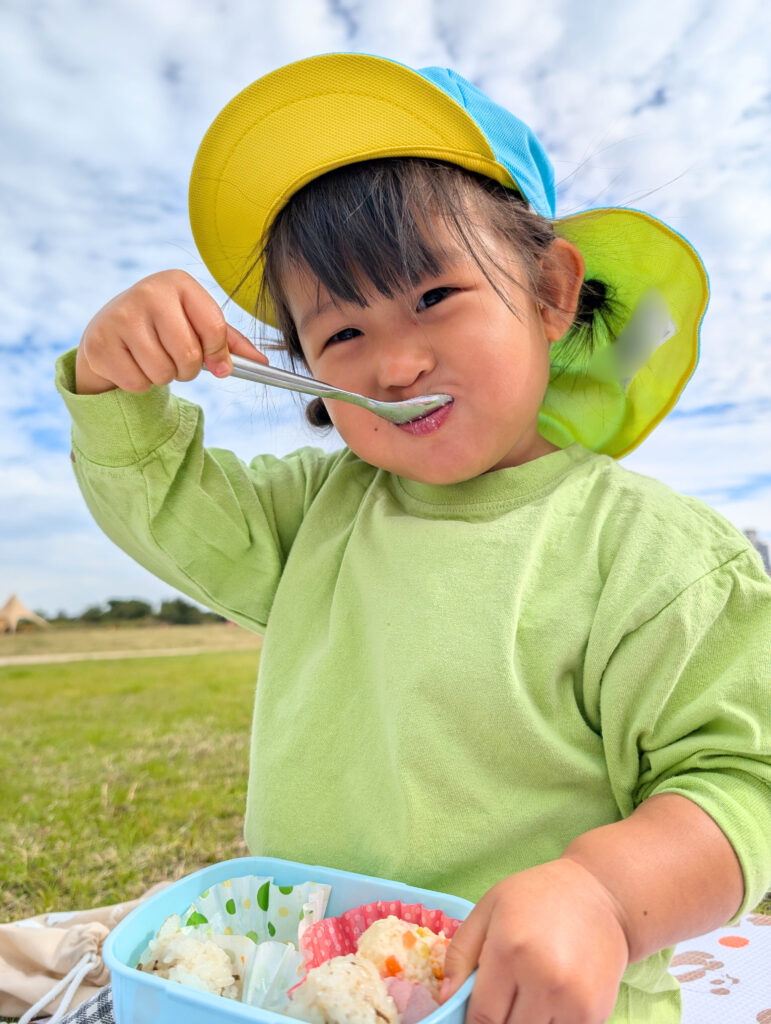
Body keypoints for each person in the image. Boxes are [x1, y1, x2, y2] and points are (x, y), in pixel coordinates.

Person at [56, 53, 771, 1024]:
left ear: (553, 292)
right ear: (305, 371)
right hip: (304, 996)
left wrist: (602, 894)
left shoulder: (652, 551)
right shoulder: (309, 518)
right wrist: (117, 384)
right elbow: (162, 496)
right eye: (341, 335)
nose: (393, 363)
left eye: (435, 297)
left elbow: (740, 781)